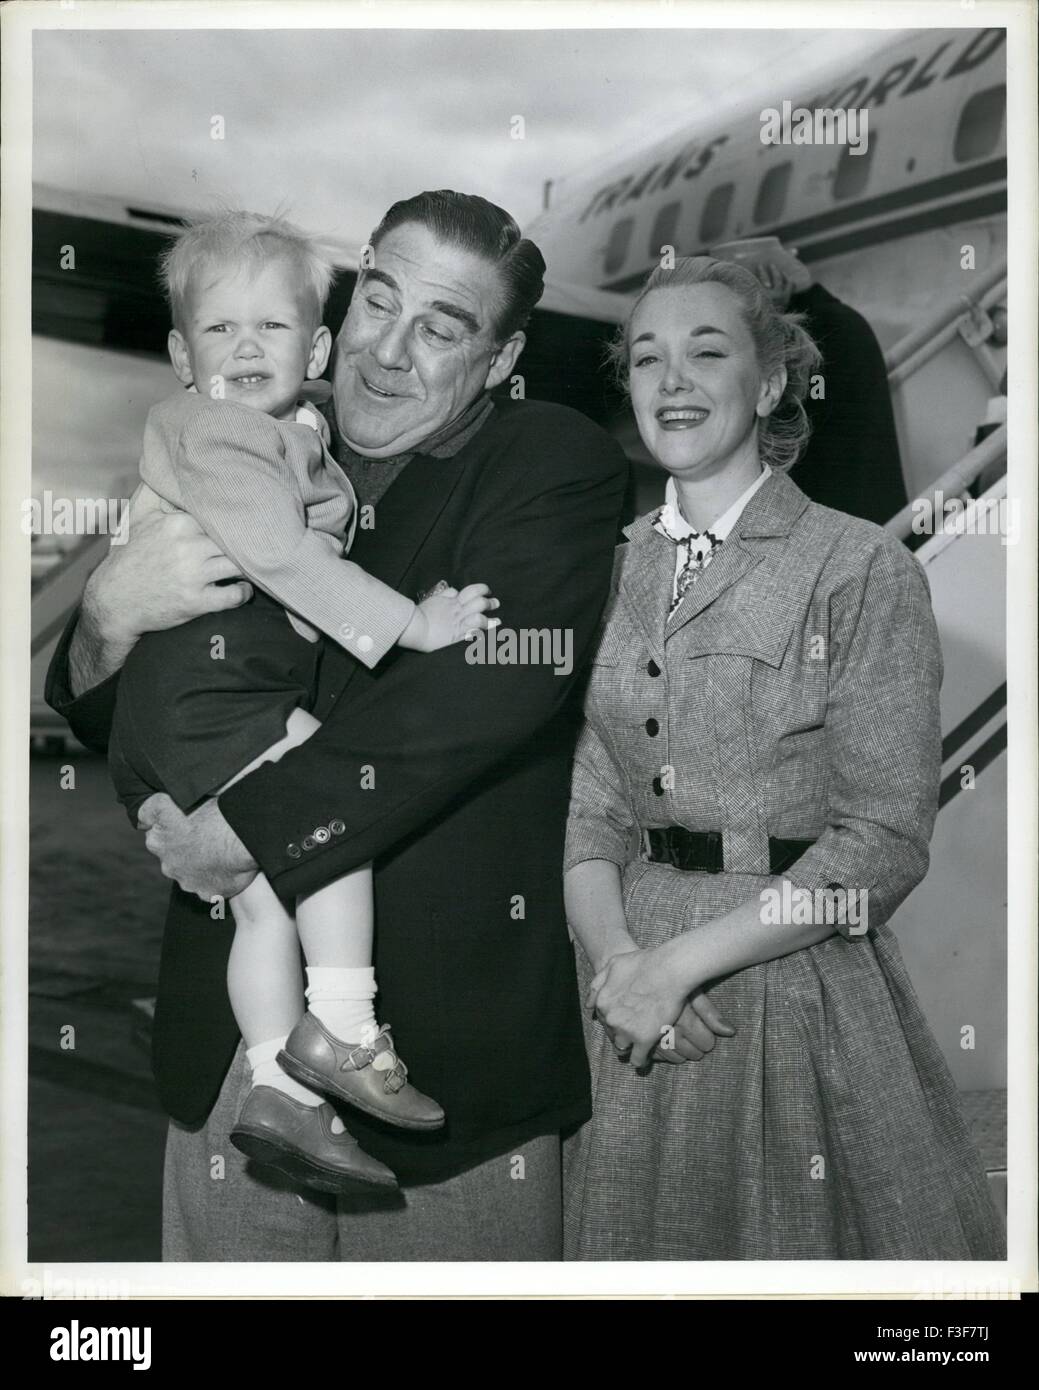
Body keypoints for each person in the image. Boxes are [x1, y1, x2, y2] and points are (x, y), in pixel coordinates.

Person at [46, 190, 629, 1261]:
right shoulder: (258, 443)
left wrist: (248, 826)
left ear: (500, 362)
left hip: (445, 1073)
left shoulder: (551, 464)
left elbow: (480, 694)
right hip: (233, 1058)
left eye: (441, 328)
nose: (388, 351)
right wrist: (107, 614)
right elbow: (112, 705)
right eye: (379, 303)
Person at [562, 255, 1005, 1259]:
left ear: (767, 384)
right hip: (622, 996)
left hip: (786, 988)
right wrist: (619, 964)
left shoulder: (859, 567)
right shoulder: (613, 566)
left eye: (704, 351)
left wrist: (678, 967)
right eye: (645, 358)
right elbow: (590, 805)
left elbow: (881, 841)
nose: (671, 379)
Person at [108, 211, 504, 1196]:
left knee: (261, 908)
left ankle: (280, 1084)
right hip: (214, 686)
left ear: (315, 347)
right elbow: (281, 556)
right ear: (178, 352)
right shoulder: (216, 432)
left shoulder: (287, 429)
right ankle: (348, 1026)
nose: (246, 349)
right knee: (328, 829)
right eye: (219, 330)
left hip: (188, 700)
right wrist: (410, 625)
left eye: (272, 329)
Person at [712, 237, 909, 526]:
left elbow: (777, 416)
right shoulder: (838, 322)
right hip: (861, 518)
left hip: (836, 525)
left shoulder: (816, 335)